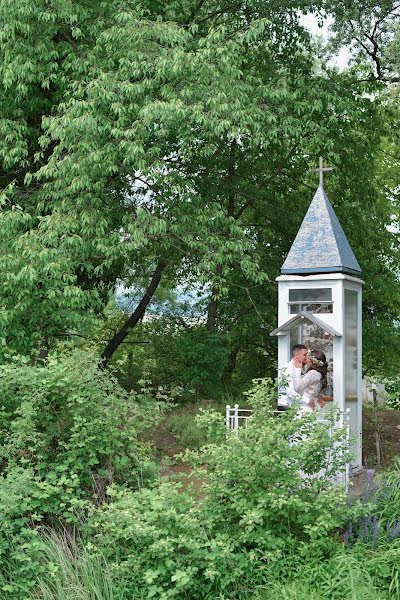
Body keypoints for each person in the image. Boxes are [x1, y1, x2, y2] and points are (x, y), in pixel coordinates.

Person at [293, 349, 328, 415]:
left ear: (312, 360)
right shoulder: (319, 374)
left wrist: (298, 370)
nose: (306, 358)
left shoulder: (312, 373)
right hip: (312, 404)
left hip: (305, 405)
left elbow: (297, 388)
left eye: (308, 357)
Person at [277, 344, 311, 412]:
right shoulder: (287, 369)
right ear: (297, 356)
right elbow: (290, 391)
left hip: (296, 406)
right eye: (304, 355)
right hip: (286, 406)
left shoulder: (301, 368)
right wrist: (307, 401)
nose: (306, 357)